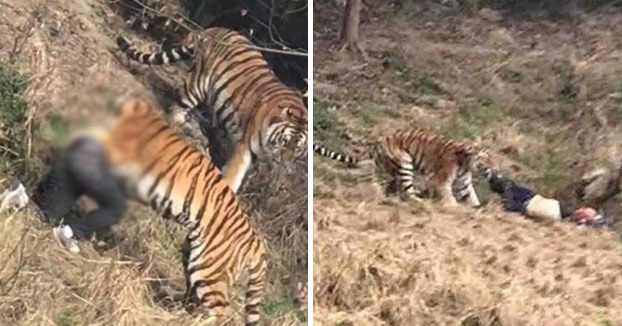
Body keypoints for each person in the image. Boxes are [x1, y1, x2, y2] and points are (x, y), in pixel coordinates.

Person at [487, 171, 606, 227]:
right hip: (535, 201)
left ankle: (491, 177)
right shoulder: (567, 213)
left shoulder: (565, 219)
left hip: (532, 204)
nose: (582, 209)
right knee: (507, 185)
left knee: (507, 187)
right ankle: (492, 177)